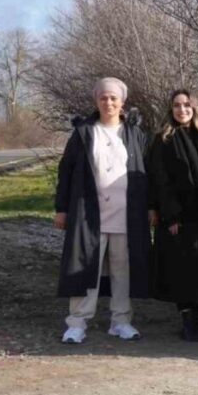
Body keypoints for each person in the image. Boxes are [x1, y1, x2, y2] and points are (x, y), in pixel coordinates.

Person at [57, 78, 150, 344]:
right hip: (89, 214)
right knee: (86, 267)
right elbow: (66, 172)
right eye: (103, 98)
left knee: (123, 269)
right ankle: (77, 323)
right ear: (96, 101)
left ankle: (121, 321)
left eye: (113, 98)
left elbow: (146, 172)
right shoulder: (84, 132)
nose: (108, 103)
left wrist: (150, 207)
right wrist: (61, 209)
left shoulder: (135, 133)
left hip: (126, 214)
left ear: (122, 102)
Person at [148, 90, 198, 342]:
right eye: (177, 106)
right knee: (182, 271)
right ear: (170, 109)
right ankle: (188, 324)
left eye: (187, 105)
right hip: (178, 217)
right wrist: (171, 216)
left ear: (194, 107)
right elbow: (160, 180)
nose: (182, 110)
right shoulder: (163, 139)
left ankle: (197, 320)